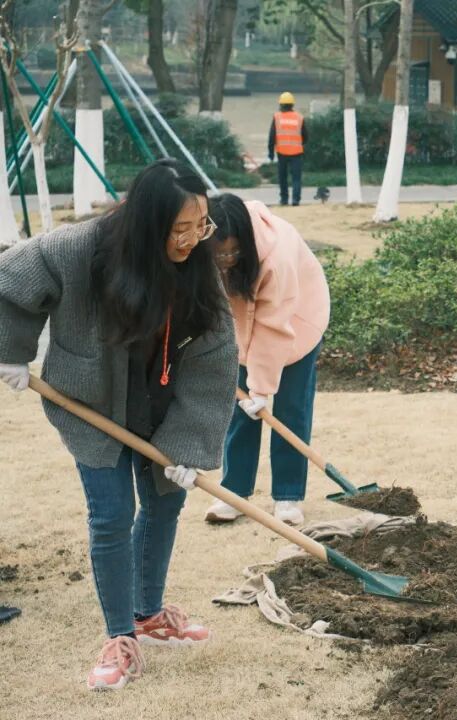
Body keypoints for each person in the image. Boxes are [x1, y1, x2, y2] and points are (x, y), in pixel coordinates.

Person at [0, 159, 238, 690]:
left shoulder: (197, 265)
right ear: (148, 224)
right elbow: (12, 276)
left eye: (201, 225)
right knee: (111, 514)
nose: (192, 239)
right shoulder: (82, 248)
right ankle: (119, 635)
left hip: (160, 405)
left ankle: (148, 614)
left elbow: (216, 357)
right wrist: (11, 351)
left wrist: (189, 443)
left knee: (164, 503)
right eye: (179, 228)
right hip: (92, 399)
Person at [202, 193, 329, 528]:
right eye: (219, 253)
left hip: (297, 320)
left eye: (233, 252)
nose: (226, 259)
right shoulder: (203, 252)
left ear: (245, 242)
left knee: (290, 411)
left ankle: (288, 496)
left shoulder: (277, 255)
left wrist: (261, 389)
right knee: (240, 412)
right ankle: (234, 492)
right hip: (241, 329)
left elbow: (274, 328)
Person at [268, 91, 307, 206]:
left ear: (281, 105)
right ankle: (296, 200)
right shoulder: (299, 118)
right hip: (297, 153)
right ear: (292, 105)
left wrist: (270, 152)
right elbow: (305, 136)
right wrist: (299, 143)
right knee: (296, 178)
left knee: (283, 178)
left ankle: (284, 199)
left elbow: (272, 136)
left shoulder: (277, 117)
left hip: (282, 152)